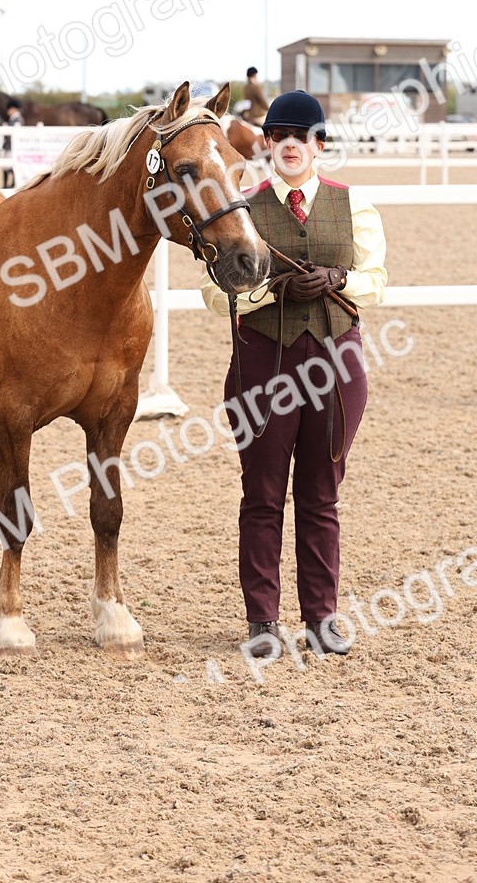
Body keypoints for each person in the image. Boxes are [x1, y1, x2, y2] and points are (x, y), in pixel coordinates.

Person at [201, 90, 387, 660]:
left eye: (300, 136)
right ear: (268, 144)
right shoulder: (243, 208)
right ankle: (262, 620)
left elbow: (376, 280)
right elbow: (213, 293)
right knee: (261, 495)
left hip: (336, 362)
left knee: (320, 496)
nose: (289, 145)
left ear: (318, 145)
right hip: (264, 360)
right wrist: (269, 289)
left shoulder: (354, 205)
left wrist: (337, 278)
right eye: (279, 135)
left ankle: (321, 618)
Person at [2, 98, 24, 189]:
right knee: (6, 165)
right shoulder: (12, 119)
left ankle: (9, 184)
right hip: (9, 146)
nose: (8, 111)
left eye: (9, 109)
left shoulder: (17, 120)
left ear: (14, 109)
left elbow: (17, 133)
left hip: (12, 147)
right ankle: (8, 184)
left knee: (8, 166)